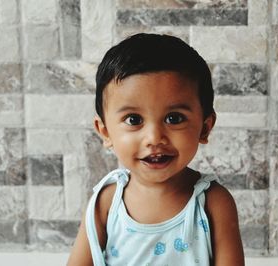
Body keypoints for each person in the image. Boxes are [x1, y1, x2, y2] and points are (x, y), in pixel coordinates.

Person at [67, 33, 244, 266]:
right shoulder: (107, 202)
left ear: (204, 128)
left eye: (174, 118)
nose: (154, 138)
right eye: (133, 120)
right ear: (106, 132)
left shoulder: (213, 203)